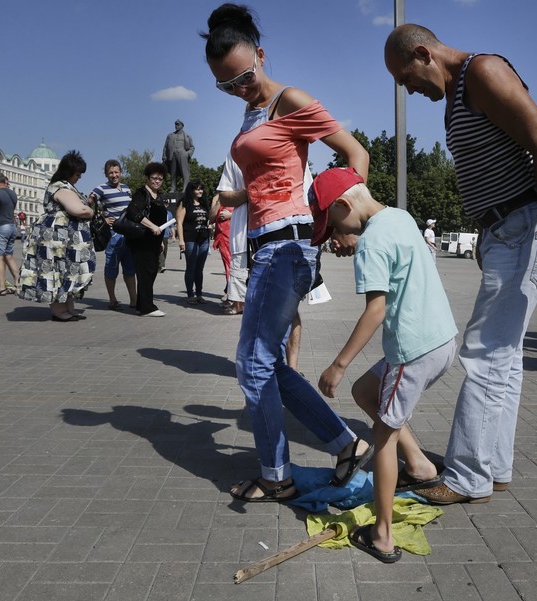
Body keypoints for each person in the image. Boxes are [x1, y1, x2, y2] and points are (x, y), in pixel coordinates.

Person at [384, 24, 537, 504]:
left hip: (524, 223)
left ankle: (467, 476)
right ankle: (495, 467)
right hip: (504, 229)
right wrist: (488, 231)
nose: (407, 89)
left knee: (484, 352)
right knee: (505, 358)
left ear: (425, 53)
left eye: (405, 77)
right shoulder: (458, 95)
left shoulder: (484, 72)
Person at [203, 3, 372, 502]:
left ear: (261, 54)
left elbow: (355, 152)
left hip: (287, 248)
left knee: (251, 365)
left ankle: (276, 476)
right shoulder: (252, 109)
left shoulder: (288, 99)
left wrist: (342, 222)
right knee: (269, 363)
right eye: (226, 84)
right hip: (266, 246)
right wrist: (234, 198)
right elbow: (269, 179)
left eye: (244, 76)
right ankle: (346, 443)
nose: (239, 88)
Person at [312, 167, 457, 563]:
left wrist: (338, 365)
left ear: (343, 205)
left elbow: (375, 311)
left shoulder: (371, 244)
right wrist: (352, 238)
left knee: (383, 436)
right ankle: (422, 467)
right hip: (442, 339)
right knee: (365, 392)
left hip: (411, 353)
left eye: (331, 227)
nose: (333, 238)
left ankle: (382, 535)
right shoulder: (399, 216)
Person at [17, 151, 96, 320]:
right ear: (68, 172)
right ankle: (59, 311)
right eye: (77, 174)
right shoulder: (60, 186)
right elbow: (78, 209)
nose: (79, 177)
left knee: (67, 271)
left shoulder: (66, 186)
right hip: (55, 240)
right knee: (57, 270)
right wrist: (90, 211)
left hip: (63, 240)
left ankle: (67, 307)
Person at [89, 159, 136, 311]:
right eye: (111, 173)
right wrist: (101, 218)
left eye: (116, 172)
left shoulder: (127, 188)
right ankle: (112, 300)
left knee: (130, 269)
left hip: (128, 235)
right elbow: (89, 201)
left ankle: (134, 300)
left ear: (121, 173)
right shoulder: (101, 188)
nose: (114, 175)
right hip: (114, 235)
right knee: (112, 268)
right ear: (106, 174)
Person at [125, 162, 169, 317]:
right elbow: (133, 212)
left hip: (154, 243)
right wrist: (151, 226)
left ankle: (140, 304)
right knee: (146, 273)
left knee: (151, 272)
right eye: (154, 178)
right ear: (148, 178)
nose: (157, 181)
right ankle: (147, 307)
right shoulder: (142, 194)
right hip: (142, 241)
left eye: (160, 179)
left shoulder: (159, 196)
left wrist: (161, 243)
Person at [176, 180, 211, 304]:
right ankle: (190, 294)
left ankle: (199, 294)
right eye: (197, 189)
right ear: (191, 190)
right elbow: (179, 222)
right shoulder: (185, 203)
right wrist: (181, 240)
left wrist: (210, 225)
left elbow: (207, 220)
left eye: (201, 188)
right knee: (191, 267)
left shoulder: (204, 204)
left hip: (204, 240)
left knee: (199, 269)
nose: (200, 191)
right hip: (190, 239)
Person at [0, 172, 21, 295]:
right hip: (11, 226)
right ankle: (18, 283)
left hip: (0, 227)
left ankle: (1, 288)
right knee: (9, 256)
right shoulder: (12, 194)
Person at [209, 193, 234, 304]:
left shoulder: (240, 193)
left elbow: (248, 213)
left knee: (238, 266)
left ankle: (234, 293)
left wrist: (231, 215)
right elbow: (211, 218)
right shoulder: (217, 197)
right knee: (228, 265)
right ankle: (231, 294)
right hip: (223, 236)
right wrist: (219, 202)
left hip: (238, 236)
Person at [162, 120, 195, 193]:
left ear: (182, 126)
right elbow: (165, 147)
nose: (176, 126)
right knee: (173, 173)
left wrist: (187, 154)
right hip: (172, 155)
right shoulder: (170, 136)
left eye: (178, 124)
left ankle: (185, 188)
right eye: (176, 125)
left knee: (184, 173)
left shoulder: (187, 136)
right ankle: (173, 188)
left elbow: (192, 147)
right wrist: (164, 156)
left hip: (182, 154)